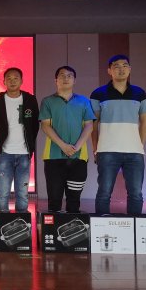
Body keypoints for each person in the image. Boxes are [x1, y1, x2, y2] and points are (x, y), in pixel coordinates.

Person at [91, 55, 146, 216]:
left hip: (134, 152)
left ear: (130, 69)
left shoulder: (140, 93)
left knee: (136, 193)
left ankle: (135, 227)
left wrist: (140, 146)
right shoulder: (98, 94)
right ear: (109, 70)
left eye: (125, 65)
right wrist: (95, 148)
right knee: (104, 193)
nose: (121, 69)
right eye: (116, 66)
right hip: (107, 150)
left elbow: (145, 121)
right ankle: (102, 228)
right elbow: (93, 124)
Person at [39, 66, 95, 213]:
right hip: (53, 157)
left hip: (79, 158)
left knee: (74, 201)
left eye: (69, 76)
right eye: (62, 75)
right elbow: (45, 126)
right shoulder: (48, 101)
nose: (66, 78)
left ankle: (73, 228)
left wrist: (76, 147)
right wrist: (63, 146)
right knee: (54, 200)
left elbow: (89, 125)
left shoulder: (84, 101)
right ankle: (54, 228)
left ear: (74, 80)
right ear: (56, 80)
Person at [0, 67, 39, 213]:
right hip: (4, 153)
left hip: (24, 153)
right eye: (9, 78)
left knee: (22, 193)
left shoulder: (30, 100)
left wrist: (30, 145)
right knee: (3, 192)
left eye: (16, 78)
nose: (12, 81)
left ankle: (21, 222)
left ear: (22, 81)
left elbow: (35, 125)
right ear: (4, 81)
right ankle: (2, 221)